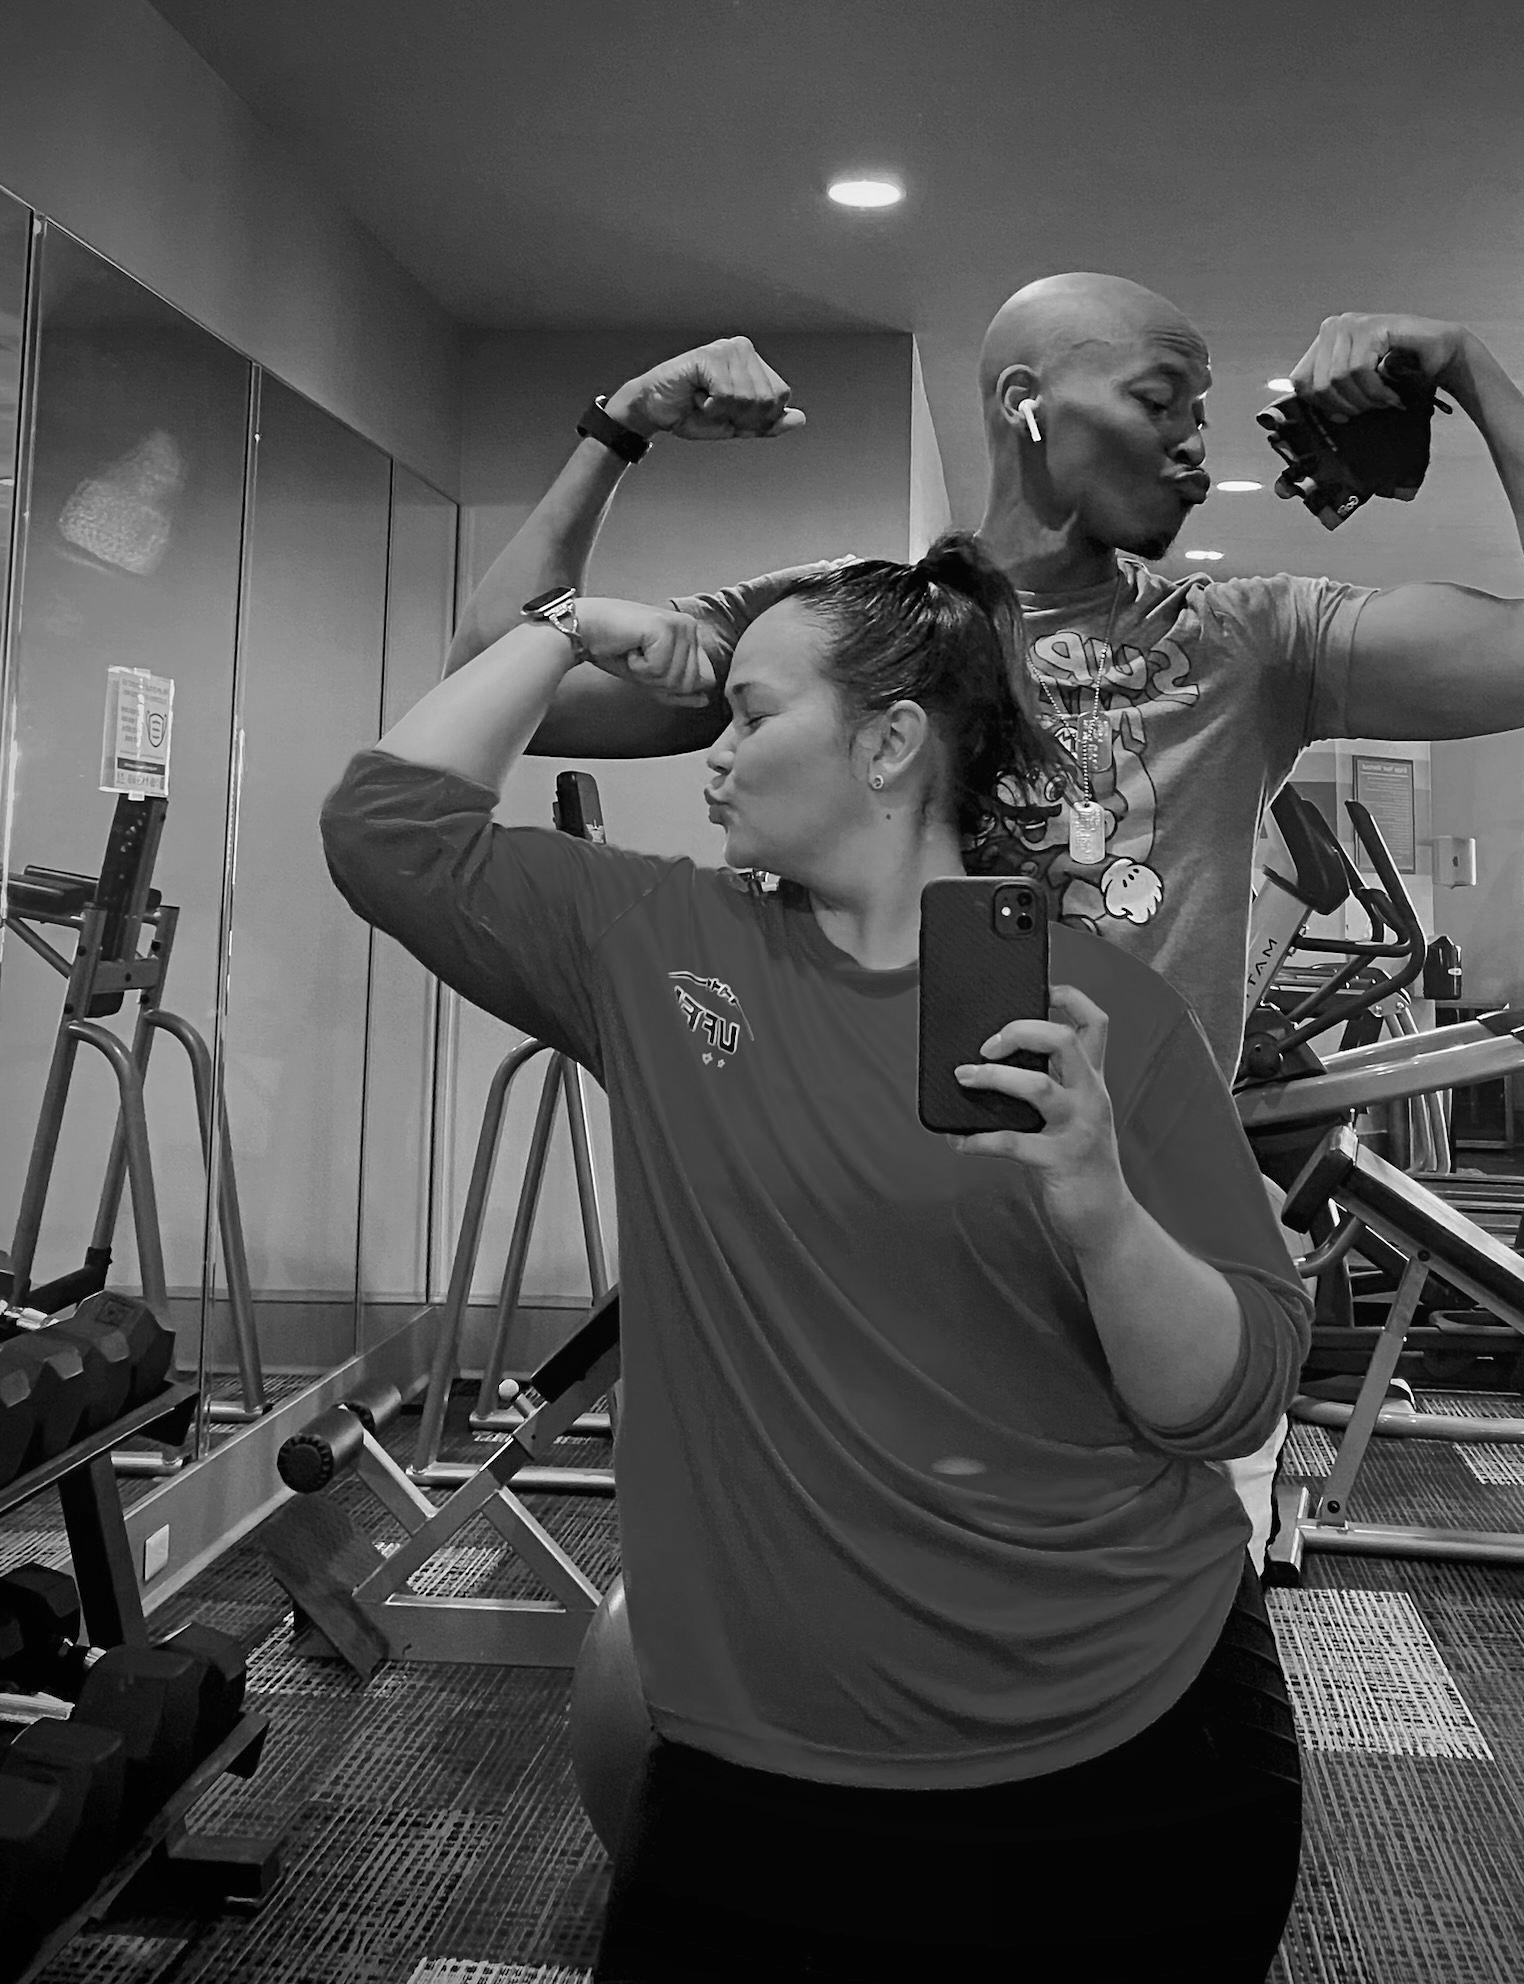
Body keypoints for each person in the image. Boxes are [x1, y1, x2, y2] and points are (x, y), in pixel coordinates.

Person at [442, 272, 1524, 1573]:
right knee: (842, 1615)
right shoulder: (848, 630)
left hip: (1138, 1241)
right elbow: (495, 680)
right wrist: (619, 428)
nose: (1196, 448)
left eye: (1203, 414)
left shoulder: (1248, 641)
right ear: (1025, 404)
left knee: (1167, 1632)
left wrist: (1470, 371)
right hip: (873, 1233)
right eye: (1162, 401)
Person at [321, 534, 1312, 1980]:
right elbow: (385, 830)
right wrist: (560, 625)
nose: (713, 754)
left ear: (891, 744)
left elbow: (1230, 1400)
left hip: (1132, 1736)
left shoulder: (1103, 1014)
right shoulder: (653, 944)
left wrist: (1100, 1207)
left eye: (750, 714)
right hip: (759, 1760)